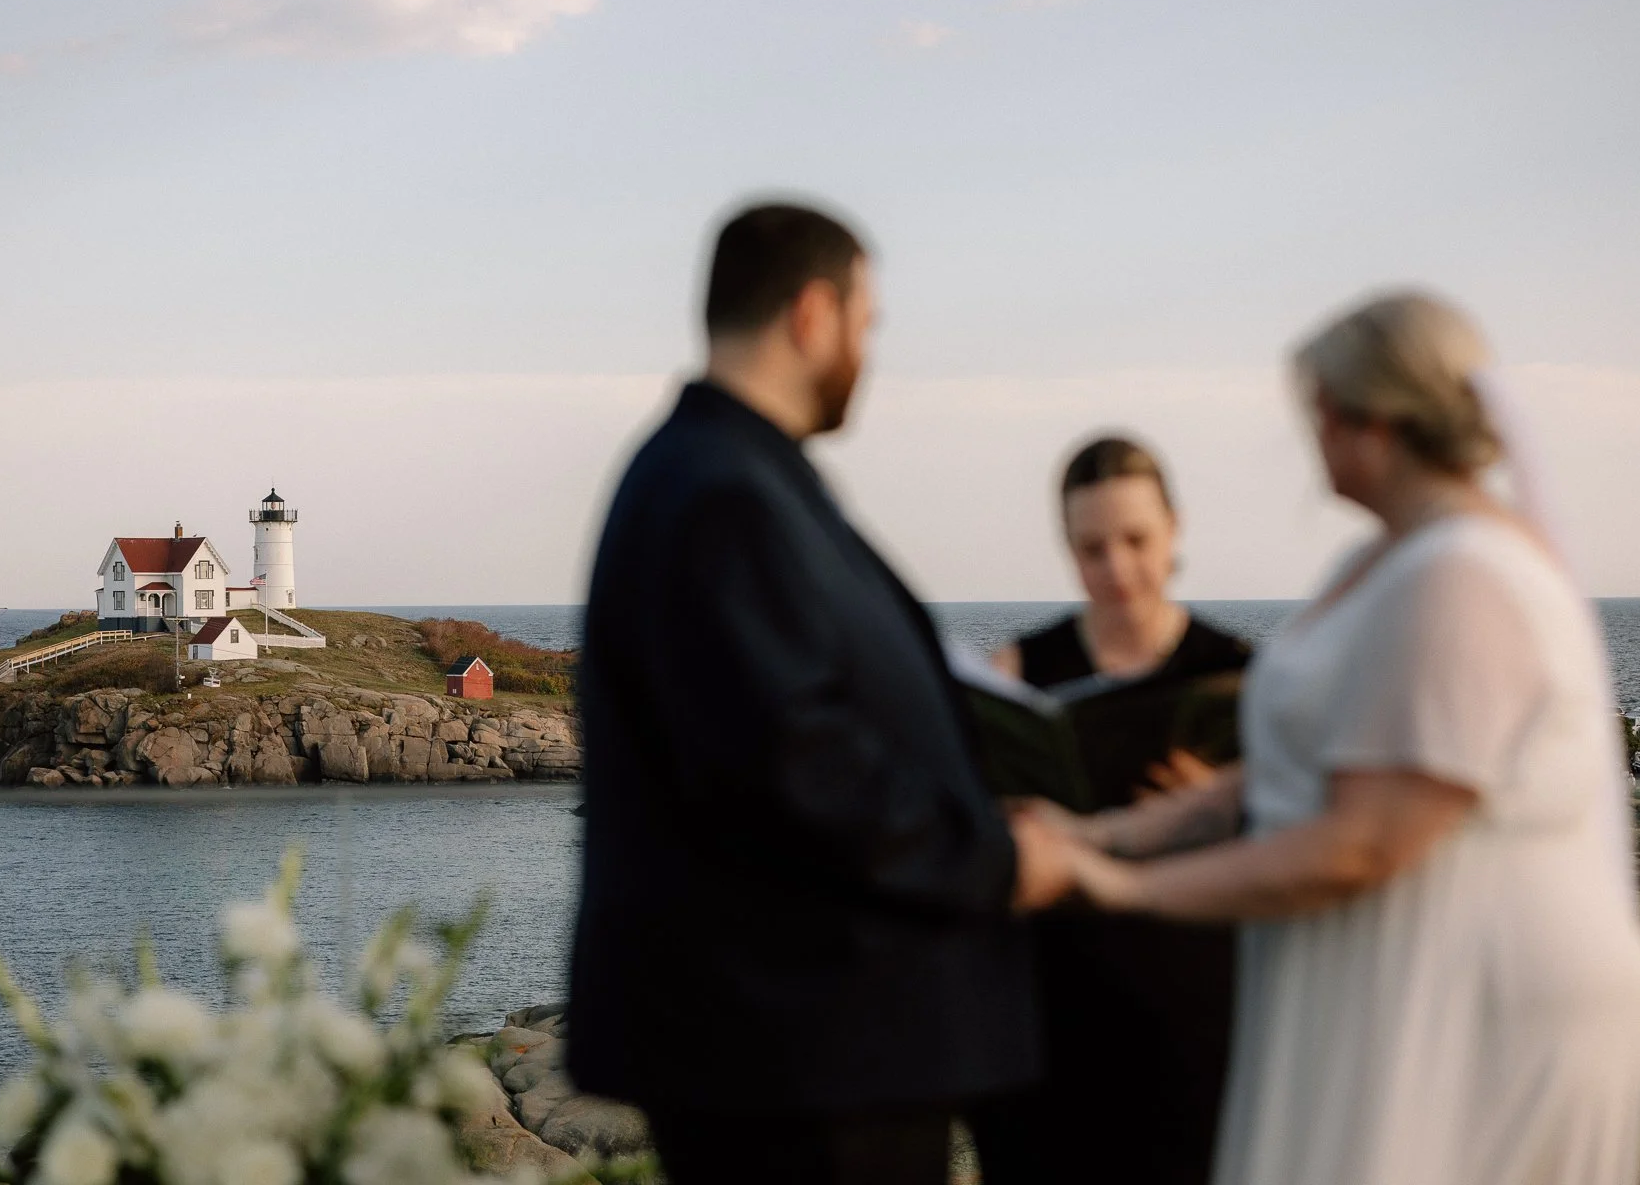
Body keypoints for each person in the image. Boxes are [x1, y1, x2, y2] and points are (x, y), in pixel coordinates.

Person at [1053, 291, 1640, 1185]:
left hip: (1468, 1015)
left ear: (1369, 420)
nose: (1312, 436)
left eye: (1318, 411)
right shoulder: (1377, 562)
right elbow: (1284, 776)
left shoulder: (1463, 578)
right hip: (1376, 988)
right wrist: (1097, 832)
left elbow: (1361, 843)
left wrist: (1120, 888)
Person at [567, 202, 1073, 1185]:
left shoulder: (733, 476)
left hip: (801, 1048)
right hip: (796, 1060)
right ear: (812, 313)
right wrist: (995, 860)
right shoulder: (723, 493)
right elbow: (792, 763)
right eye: (866, 323)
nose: (867, 353)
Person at [969, 437, 1251, 1185]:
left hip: (1198, 1009)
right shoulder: (1018, 676)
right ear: (1067, 549)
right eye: (1093, 549)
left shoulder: (1239, 676)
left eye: (1137, 541)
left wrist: (1214, 805)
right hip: (1060, 1007)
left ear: (1175, 530)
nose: (1118, 570)